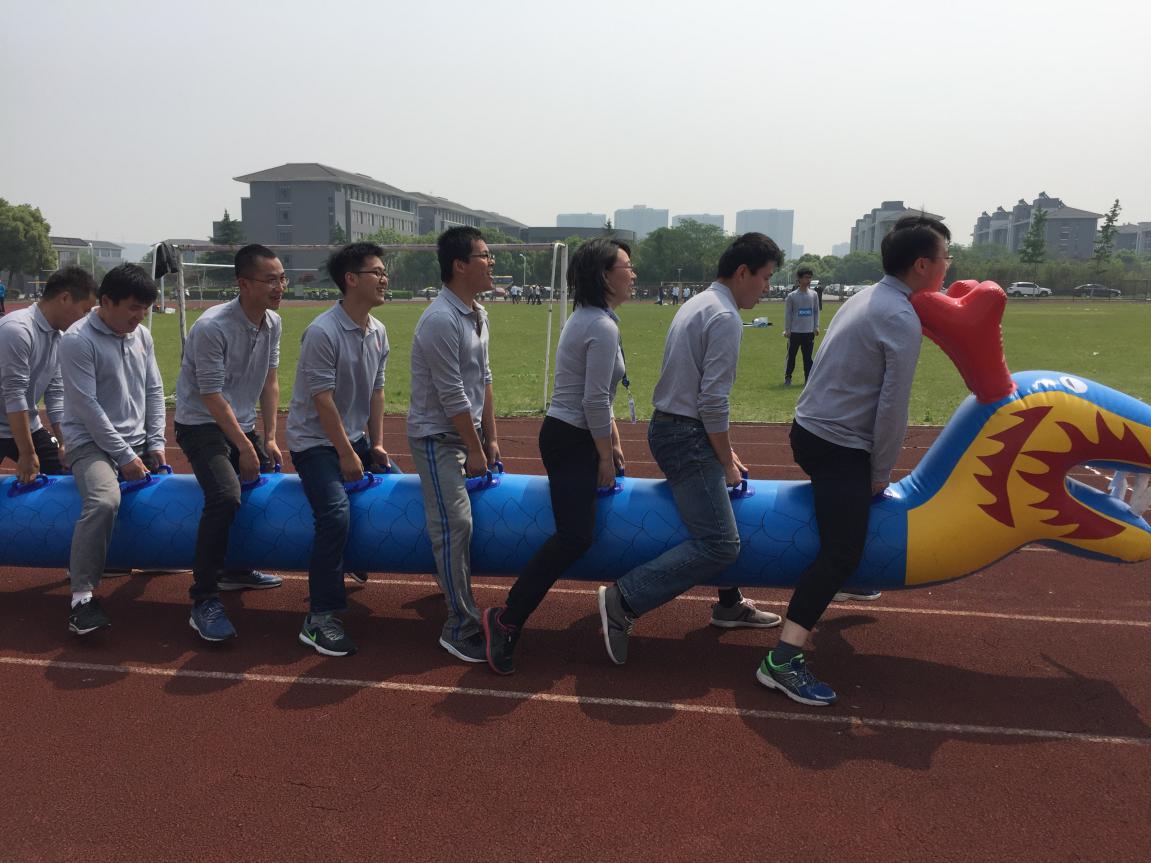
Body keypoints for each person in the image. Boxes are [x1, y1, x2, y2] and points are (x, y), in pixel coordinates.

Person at [757, 215, 952, 706]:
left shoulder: (868, 296)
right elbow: (892, 408)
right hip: (835, 444)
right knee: (841, 550)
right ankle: (781, 660)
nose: (948, 265)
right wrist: (879, 474)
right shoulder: (900, 317)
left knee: (848, 531)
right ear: (922, 265)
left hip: (810, 429)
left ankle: (848, 582)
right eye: (945, 257)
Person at [597, 233, 785, 665]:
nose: (767, 288)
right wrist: (724, 458)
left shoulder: (700, 302)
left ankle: (729, 601)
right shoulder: (725, 317)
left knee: (719, 509)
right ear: (743, 273)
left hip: (672, 426)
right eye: (766, 278)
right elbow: (712, 401)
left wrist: (725, 453)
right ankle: (624, 600)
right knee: (720, 543)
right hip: (685, 435)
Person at [481, 238, 633, 674]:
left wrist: (613, 443)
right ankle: (506, 619)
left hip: (576, 433)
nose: (633, 274)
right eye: (626, 266)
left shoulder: (594, 318)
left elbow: (599, 395)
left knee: (580, 531)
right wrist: (603, 456)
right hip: (571, 438)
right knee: (575, 535)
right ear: (604, 275)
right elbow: (592, 400)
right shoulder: (600, 326)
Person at [173, 244, 287, 643]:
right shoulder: (212, 327)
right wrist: (245, 447)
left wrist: (268, 437)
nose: (279, 287)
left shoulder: (273, 322)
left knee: (266, 483)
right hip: (201, 424)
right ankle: (203, 598)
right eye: (270, 280)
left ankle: (236, 568)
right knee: (224, 495)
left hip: (240, 421)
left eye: (282, 278)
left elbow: (270, 382)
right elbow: (211, 396)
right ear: (243, 284)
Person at [286, 242, 393, 657]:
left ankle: (361, 557)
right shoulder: (322, 332)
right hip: (315, 443)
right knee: (333, 515)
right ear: (351, 279)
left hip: (355, 437)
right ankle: (319, 619)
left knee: (400, 490)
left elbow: (377, 391)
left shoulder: (378, 331)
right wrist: (346, 453)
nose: (384, 279)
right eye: (376, 273)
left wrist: (376, 443)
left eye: (384, 272)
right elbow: (322, 399)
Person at [408, 226, 501, 663]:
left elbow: (484, 379)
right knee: (456, 525)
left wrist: (490, 437)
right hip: (437, 438)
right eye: (485, 255)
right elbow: (451, 394)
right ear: (460, 265)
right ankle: (459, 626)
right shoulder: (440, 320)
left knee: (464, 522)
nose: (492, 262)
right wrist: (475, 448)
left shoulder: (478, 313)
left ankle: (451, 589)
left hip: (466, 435)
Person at [59, 264, 166, 635]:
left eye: (145, 309)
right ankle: (81, 599)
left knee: (167, 495)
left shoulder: (141, 335)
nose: (140, 317)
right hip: (89, 443)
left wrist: (156, 441)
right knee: (104, 501)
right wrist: (125, 457)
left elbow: (154, 389)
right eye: (133, 307)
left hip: (134, 441)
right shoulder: (77, 340)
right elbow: (87, 407)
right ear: (106, 302)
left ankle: (152, 554)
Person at [0, 266, 98, 482]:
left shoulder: (60, 337)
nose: (86, 318)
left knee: (67, 470)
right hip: (12, 417)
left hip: (28, 425)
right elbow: (14, 395)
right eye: (85, 310)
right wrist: (27, 453)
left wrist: (65, 442)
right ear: (65, 298)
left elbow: (55, 393)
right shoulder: (17, 330)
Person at [783, 266, 820, 386]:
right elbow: (788, 314)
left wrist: (816, 326)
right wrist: (787, 329)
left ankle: (808, 379)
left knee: (808, 358)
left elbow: (816, 312)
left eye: (810, 277)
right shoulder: (792, 296)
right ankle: (788, 377)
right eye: (806, 277)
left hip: (808, 332)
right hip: (795, 332)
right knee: (791, 356)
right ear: (799, 279)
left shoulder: (814, 295)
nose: (808, 280)